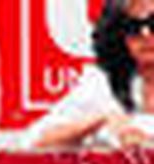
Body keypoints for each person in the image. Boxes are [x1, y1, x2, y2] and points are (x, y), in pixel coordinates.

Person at [21, 0, 154, 149]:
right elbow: (34, 142)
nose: (145, 34)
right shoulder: (101, 85)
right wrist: (100, 121)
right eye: (132, 27)